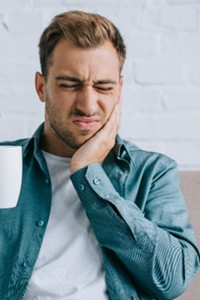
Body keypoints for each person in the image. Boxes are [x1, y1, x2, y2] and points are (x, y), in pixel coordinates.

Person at [0, 10, 199, 300]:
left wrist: (87, 172)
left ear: (119, 91)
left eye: (104, 87)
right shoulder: (6, 163)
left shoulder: (153, 172)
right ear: (41, 87)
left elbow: (172, 279)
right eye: (69, 84)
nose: (88, 105)